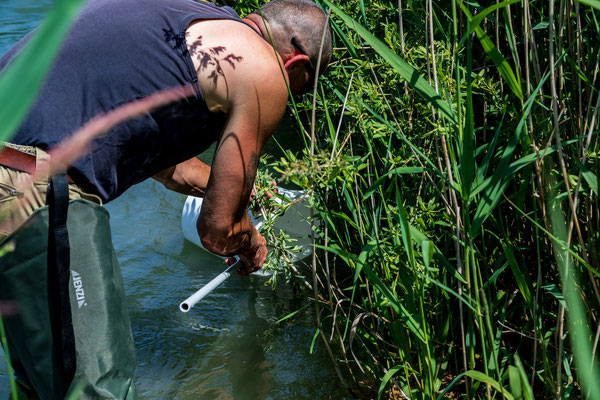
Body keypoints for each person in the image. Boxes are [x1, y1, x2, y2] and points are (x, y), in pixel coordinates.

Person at [0, 0, 332, 398]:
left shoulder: (192, 22)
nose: (291, 99)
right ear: (295, 63)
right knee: (97, 387)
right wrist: (249, 241)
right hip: (35, 185)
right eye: (302, 89)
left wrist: (238, 191)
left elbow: (166, 166)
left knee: (42, 380)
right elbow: (217, 231)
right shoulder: (264, 68)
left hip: (12, 170)